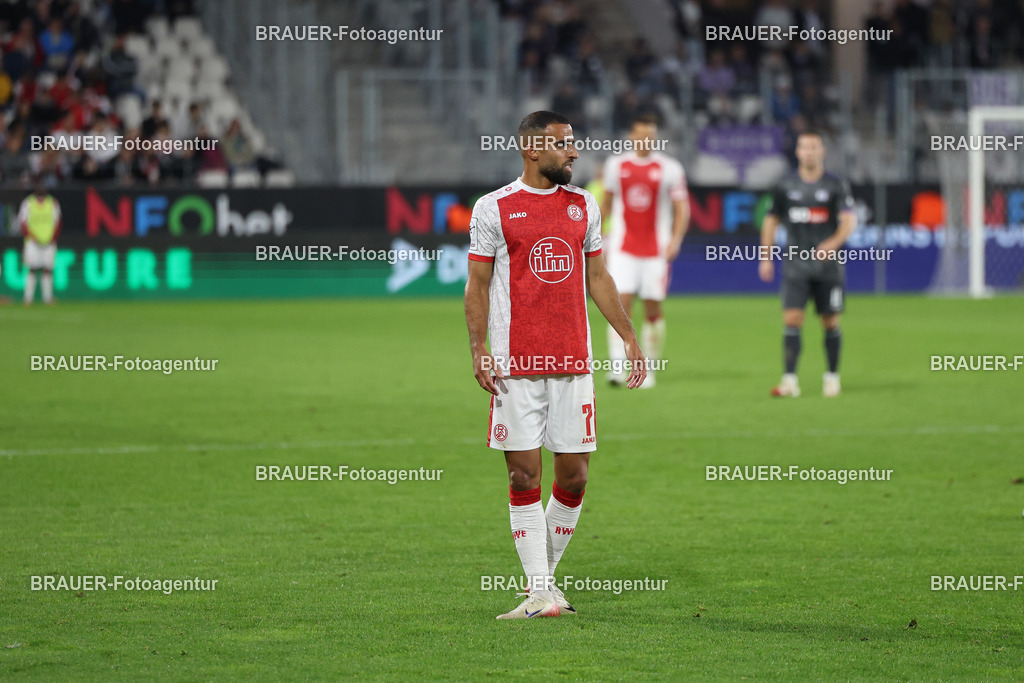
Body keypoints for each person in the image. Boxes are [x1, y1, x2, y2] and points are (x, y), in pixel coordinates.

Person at [464, 111, 646, 619]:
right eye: (565, 144)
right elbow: (476, 286)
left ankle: (542, 587)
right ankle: (541, 591)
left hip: (573, 364)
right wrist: (478, 348)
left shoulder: (584, 205)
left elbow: (598, 278)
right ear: (533, 150)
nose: (574, 152)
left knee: (576, 477)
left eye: (574, 142)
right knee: (524, 476)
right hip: (514, 366)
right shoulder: (493, 208)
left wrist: (628, 336)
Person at [758, 130, 856, 398]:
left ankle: (832, 378)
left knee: (830, 321)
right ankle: (790, 380)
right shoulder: (785, 186)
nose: (808, 151)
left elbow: (849, 220)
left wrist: (832, 244)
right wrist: (765, 256)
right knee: (792, 318)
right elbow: (770, 220)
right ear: (798, 152)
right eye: (804, 147)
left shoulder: (836, 185)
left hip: (828, 269)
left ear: (822, 151)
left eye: (814, 147)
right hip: (796, 267)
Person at [601, 113, 689, 388]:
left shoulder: (670, 168)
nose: (645, 139)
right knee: (620, 305)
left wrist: (675, 240)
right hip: (623, 248)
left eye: (650, 134)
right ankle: (617, 366)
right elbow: (606, 203)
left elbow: (681, 208)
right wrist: (596, 236)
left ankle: (648, 367)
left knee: (653, 308)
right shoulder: (616, 165)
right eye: (640, 133)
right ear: (631, 135)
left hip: (656, 251)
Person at [19, 179, 62, 305]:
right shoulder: (28, 203)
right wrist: (31, 236)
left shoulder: (52, 203)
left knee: (47, 269)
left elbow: (58, 222)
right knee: (31, 268)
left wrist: (52, 238)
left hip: (49, 241)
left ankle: (47, 298)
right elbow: (23, 222)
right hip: (32, 241)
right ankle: (27, 298)